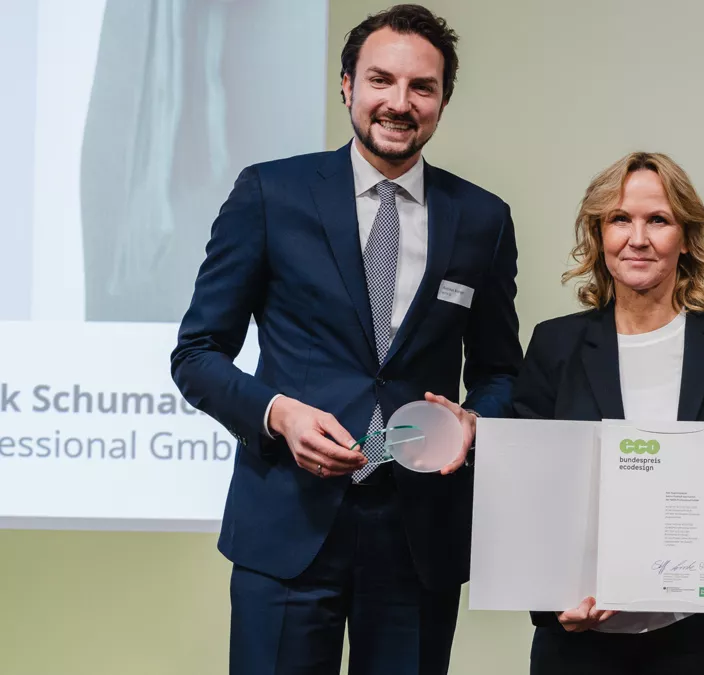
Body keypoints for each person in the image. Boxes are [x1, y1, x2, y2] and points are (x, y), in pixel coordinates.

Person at [169, 5, 522, 674]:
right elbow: (196, 354)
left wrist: (477, 421)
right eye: (381, 80)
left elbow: (503, 370)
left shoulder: (481, 219)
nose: (399, 102)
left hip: (418, 534)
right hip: (286, 525)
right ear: (346, 86)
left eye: (422, 87)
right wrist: (278, 413)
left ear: (443, 100)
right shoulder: (272, 194)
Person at [513, 152, 704, 674]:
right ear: (600, 235)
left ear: (685, 237)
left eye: (658, 220)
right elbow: (530, 489)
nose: (638, 238)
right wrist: (552, 600)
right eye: (620, 219)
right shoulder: (555, 345)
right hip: (583, 635)